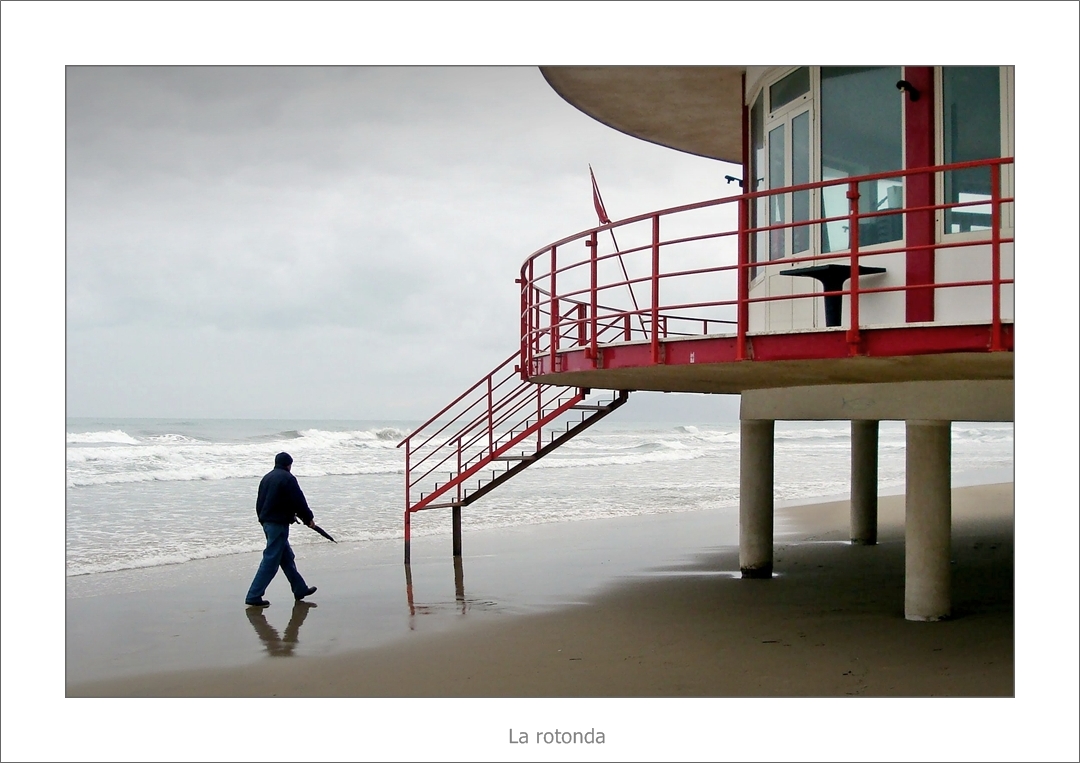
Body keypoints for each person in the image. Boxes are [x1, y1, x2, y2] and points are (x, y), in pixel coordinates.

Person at [245, 452, 318, 607]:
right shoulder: (288, 478)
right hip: (277, 525)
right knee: (271, 560)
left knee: (287, 558)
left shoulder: (266, 478)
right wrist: (308, 518)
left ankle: (300, 589)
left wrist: (262, 520)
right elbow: (298, 500)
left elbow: (260, 502)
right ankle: (253, 595)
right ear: (289, 465)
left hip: (267, 522)